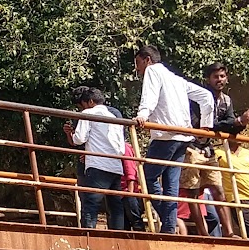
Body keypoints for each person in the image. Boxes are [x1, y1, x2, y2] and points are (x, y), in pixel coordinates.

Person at [134, 44, 214, 234]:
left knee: (147, 177)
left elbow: (149, 97)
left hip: (165, 135)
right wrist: (205, 125)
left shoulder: (152, 71)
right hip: (183, 136)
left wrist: (142, 115)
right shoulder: (177, 79)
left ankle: (169, 219)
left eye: (138, 63)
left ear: (147, 60)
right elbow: (206, 96)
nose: (137, 69)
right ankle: (169, 226)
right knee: (171, 183)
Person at [68, 87, 127, 231]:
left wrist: (71, 134)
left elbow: (79, 139)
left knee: (91, 204)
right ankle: (118, 237)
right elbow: (122, 145)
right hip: (116, 165)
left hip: (98, 164)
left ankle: (89, 238)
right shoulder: (114, 117)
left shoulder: (88, 113)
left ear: (90, 101)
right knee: (116, 205)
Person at [214, 132, 249, 240]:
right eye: (235, 133)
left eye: (239, 133)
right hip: (239, 199)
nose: (238, 136)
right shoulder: (219, 154)